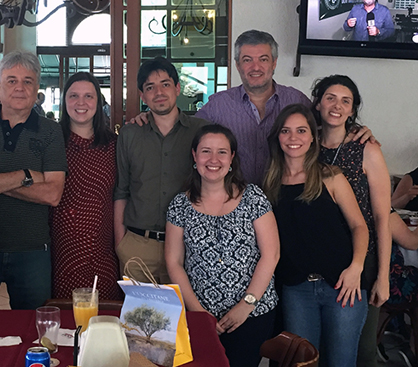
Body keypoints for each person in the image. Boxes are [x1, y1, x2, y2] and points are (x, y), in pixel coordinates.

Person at [129, 30, 374, 185]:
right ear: (237, 65)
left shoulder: (296, 101)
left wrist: (357, 129)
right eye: (247, 60)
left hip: (288, 202)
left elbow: (329, 125)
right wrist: (149, 115)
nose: (255, 67)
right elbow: (183, 130)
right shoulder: (218, 105)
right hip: (234, 208)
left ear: (274, 63)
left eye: (263, 59)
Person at [0, 50, 67, 334]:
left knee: (37, 333)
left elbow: (53, 194)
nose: (20, 87)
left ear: (37, 89)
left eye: (28, 81)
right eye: (11, 81)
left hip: (32, 249)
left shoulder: (51, 131)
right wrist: (26, 176)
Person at [263, 104, 369, 367]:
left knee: (341, 362)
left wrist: (356, 267)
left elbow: (359, 226)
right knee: (302, 363)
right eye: (286, 131)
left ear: (313, 137)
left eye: (301, 130)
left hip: (343, 285)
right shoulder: (269, 185)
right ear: (278, 137)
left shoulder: (331, 177)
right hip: (296, 290)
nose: (293, 137)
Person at [165, 124, 279, 366]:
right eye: (206, 151)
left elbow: (271, 255)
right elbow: (173, 262)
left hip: (252, 314)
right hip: (198, 315)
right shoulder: (179, 205)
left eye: (222, 152)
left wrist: (246, 305)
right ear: (195, 156)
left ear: (232, 158)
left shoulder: (253, 197)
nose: (213, 159)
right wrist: (198, 312)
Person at [312, 75, 391, 367]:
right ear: (318, 103)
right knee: (318, 348)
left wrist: (383, 276)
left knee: (360, 349)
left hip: (361, 260)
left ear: (352, 109)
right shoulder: (305, 145)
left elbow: (382, 217)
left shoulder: (367, 149)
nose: (337, 106)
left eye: (346, 101)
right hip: (316, 260)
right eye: (331, 98)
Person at [114, 57, 210, 283]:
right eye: (150, 87)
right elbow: (122, 191)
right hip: (138, 246)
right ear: (142, 95)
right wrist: (121, 244)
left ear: (177, 88)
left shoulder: (201, 132)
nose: (158, 92)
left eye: (165, 84)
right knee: (136, 317)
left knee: (181, 317)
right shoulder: (130, 134)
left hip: (188, 246)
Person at [51, 72, 121, 300]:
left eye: (88, 96)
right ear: (64, 102)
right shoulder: (51, 143)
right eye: (73, 96)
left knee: (105, 317)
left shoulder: (115, 146)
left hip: (103, 248)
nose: (81, 103)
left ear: (99, 102)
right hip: (61, 249)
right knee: (65, 321)